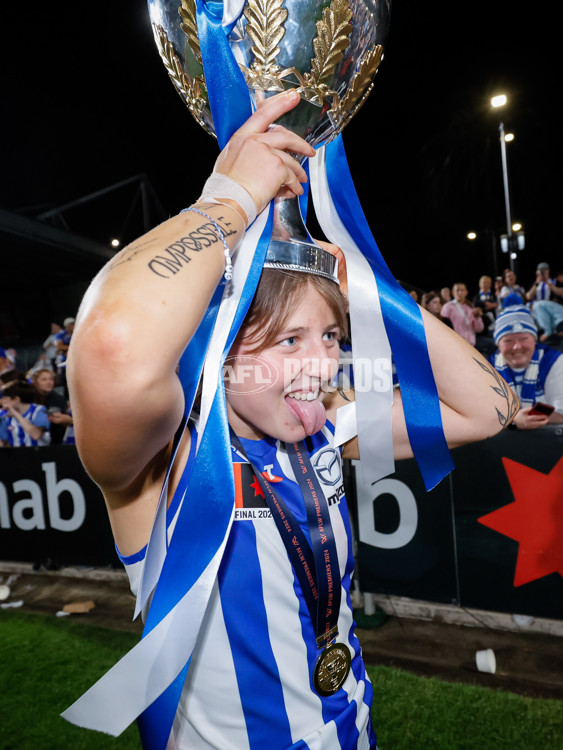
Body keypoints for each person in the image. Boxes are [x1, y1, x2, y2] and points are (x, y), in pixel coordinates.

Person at [66, 93, 515, 749]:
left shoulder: (328, 425)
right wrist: (229, 198)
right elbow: (115, 350)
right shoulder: (169, 460)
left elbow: (490, 407)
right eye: (287, 341)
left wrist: (369, 291)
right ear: (222, 351)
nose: (320, 364)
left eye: (331, 337)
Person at [489, 303, 563, 429]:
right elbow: (479, 413)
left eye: (523, 338)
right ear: (498, 345)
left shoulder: (552, 360)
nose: (517, 346)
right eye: (508, 341)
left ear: (534, 340)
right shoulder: (488, 368)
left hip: (555, 438)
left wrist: (518, 420)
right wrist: (515, 419)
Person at [0, 380, 50, 447]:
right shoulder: (4, 415)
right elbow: (3, 442)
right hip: (16, 455)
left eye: (5, 399)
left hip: (39, 454)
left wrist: (16, 414)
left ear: (16, 399)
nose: (2, 402)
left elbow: (36, 435)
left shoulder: (40, 410)